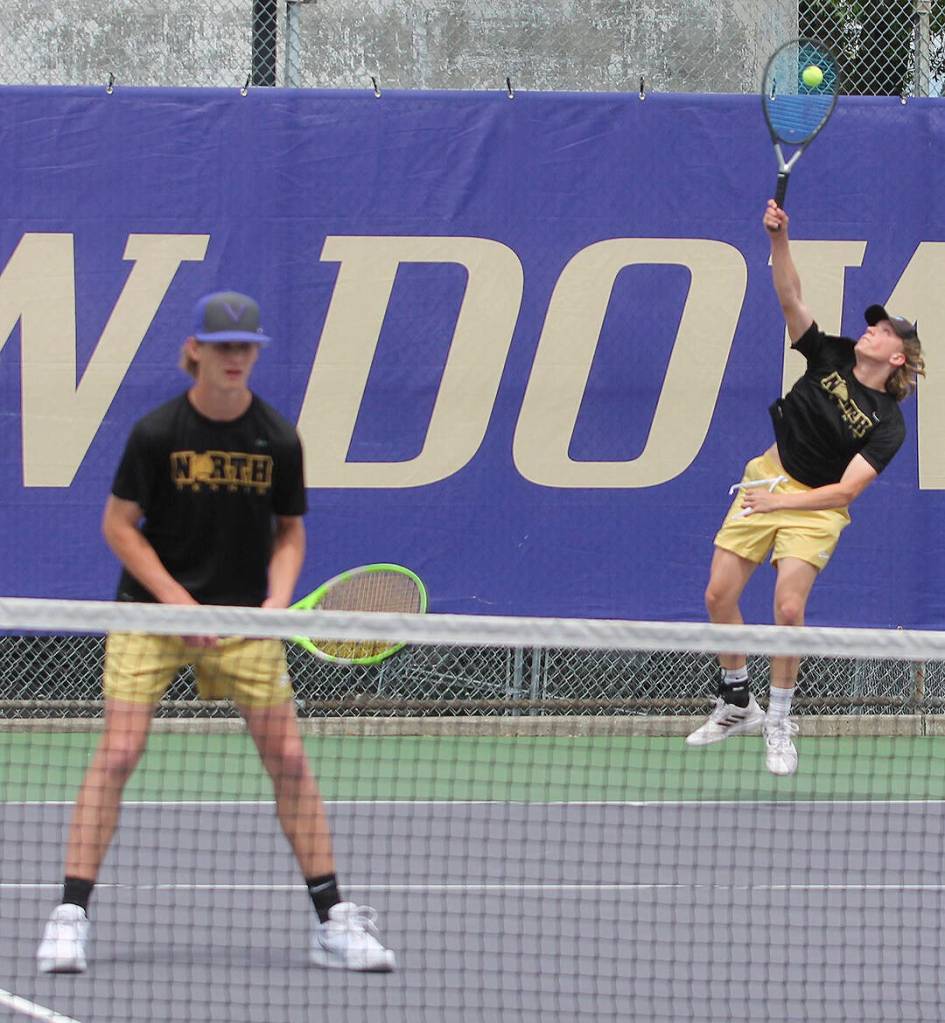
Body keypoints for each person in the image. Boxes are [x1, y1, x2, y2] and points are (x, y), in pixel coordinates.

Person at [37, 291, 395, 974]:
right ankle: (69, 916)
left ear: (254, 353)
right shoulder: (158, 433)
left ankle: (332, 921)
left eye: (246, 347)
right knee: (117, 752)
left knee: (288, 759)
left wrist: (275, 602)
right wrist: (176, 604)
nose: (235, 358)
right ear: (196, 349)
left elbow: (290, 532)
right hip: (151, 616)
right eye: (223, 345)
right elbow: (119, 526)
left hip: (241, 622)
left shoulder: (276, 439)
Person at [686, 201, 925, 776]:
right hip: (769, 473)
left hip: (813, 507)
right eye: (874, 322)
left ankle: (781, 717)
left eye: (883, 329)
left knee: (788, 607)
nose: (871, 327)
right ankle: (738, 699)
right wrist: (779, 240)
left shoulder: (889, 423)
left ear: (896, 356)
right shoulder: (832, 353)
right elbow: (791, 298)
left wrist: (781, 504)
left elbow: (844, 494)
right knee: (719, 595)